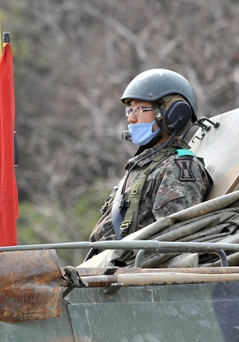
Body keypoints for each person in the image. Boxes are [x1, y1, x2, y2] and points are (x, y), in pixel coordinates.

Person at [89, 69, 213, 244]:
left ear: (173, 114)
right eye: (129, 110)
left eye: (139, 109)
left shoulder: (179, 167)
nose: (131, 119)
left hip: (133, 267)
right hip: (109, 263)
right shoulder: (144, 166)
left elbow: (174, 240)